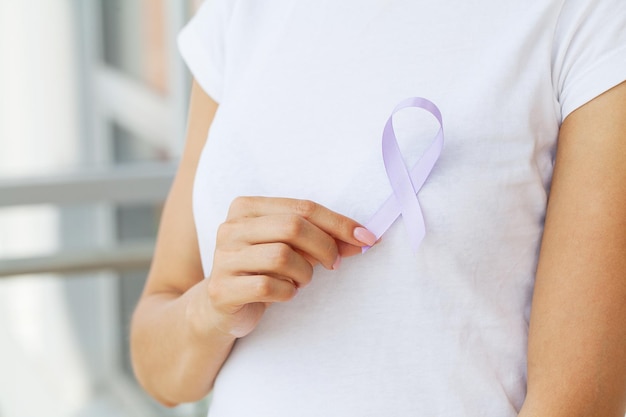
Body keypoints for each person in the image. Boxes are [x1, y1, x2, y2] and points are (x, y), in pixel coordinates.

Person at [130, 1, 626, 416]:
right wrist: (213, 310)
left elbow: (578, 403)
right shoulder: (239, 13)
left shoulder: (585, 16)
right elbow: (159, 371)